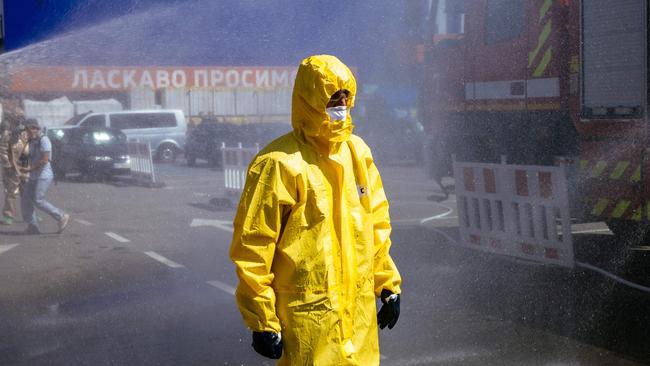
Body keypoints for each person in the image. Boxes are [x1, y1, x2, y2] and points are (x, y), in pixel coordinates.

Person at [230, 55, 402, 365]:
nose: (341, 103)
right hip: (308, 322)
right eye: (332, 97)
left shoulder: (357, 153)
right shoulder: (279, 162)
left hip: (358, 320)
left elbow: (375, 224)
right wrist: (262, 319)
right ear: (308, 100)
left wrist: (387, 284)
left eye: (345, 96)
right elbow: (254, 246)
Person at [21, 119, 69, 234]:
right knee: (26, 199)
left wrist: (29, 168)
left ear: (37, 129)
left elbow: (44, 159)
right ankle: (32, 225)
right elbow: (25, 158)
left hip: (43, 175)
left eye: (32, 129)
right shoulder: (30, 141)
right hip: (32, 175)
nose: (29, 131)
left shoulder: (44, 140)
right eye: (27, 129)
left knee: (38, 200)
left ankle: (61, 216)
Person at [0, 113, 30, 225]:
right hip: (12, 168)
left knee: (27, 192)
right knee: (11, 192)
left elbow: (27, 150)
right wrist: (7, 165)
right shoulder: (7, 134)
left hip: (24, 167)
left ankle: (30, 214)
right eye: (18, 121)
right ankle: (9, 215)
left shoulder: (25, 134)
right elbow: (2, 150)